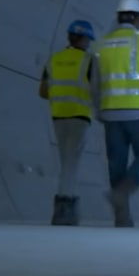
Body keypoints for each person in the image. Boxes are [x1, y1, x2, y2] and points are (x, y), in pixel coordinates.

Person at [91, 0, 139, 227]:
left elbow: (95, 82)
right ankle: (124, 190)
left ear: (118, 17)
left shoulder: (102, 44)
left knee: (116, 163)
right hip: (138, 112)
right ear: (138, 17)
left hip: (111, 113)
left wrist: (98, 109)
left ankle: (121, 217)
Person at [39, 20, 97, 226]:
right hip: (80, 116)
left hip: (58, 116)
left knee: (65, 160)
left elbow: (43, 91)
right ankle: (66, 208)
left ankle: (62, 207)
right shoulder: (89, 61)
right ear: (83, 39)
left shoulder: (53, 60)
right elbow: (97, 90)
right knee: (72, 163)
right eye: (88, 39)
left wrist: (60, 95)